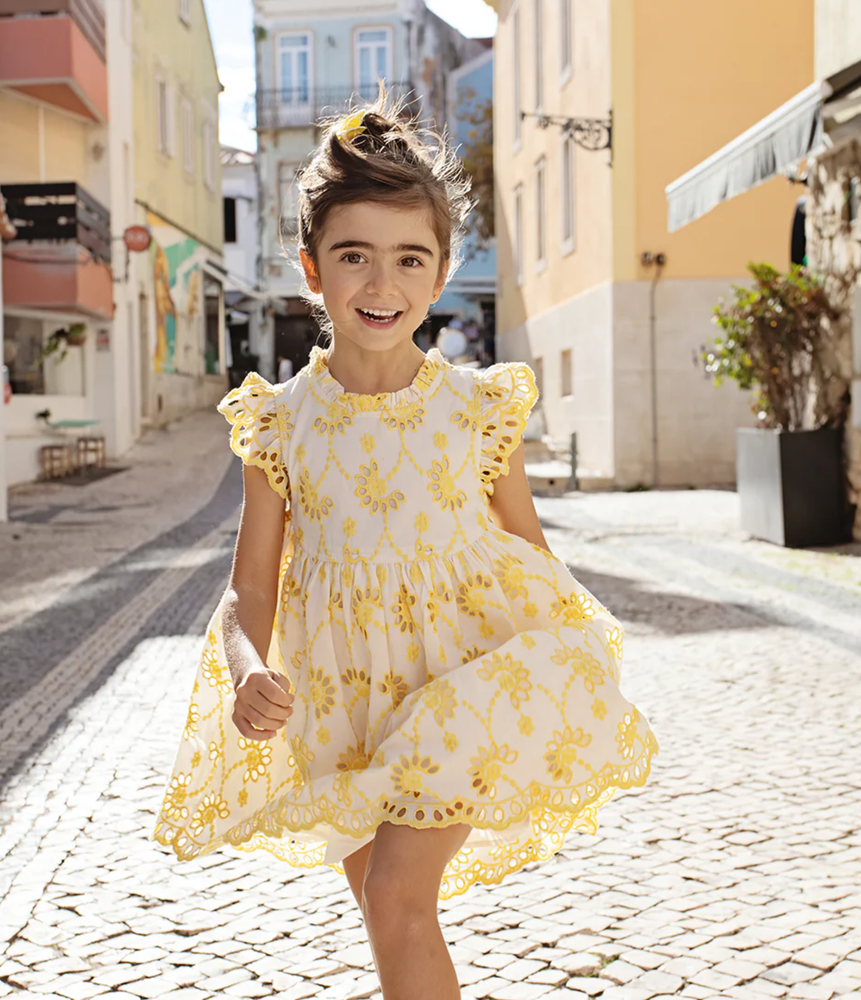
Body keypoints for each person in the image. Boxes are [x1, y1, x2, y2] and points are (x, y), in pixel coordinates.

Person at [152, 84, 658, 1000]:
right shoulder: (281, 424)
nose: (381, 285)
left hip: (459, 683)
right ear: (311, 269)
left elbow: (532, 556)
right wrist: (245, 665)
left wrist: (569, 662)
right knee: (392, 919)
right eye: (354, 256)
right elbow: (249, 590)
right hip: (341, 698)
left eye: (408, 258)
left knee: (395, 897)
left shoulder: (476, 411)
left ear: (441, 270)